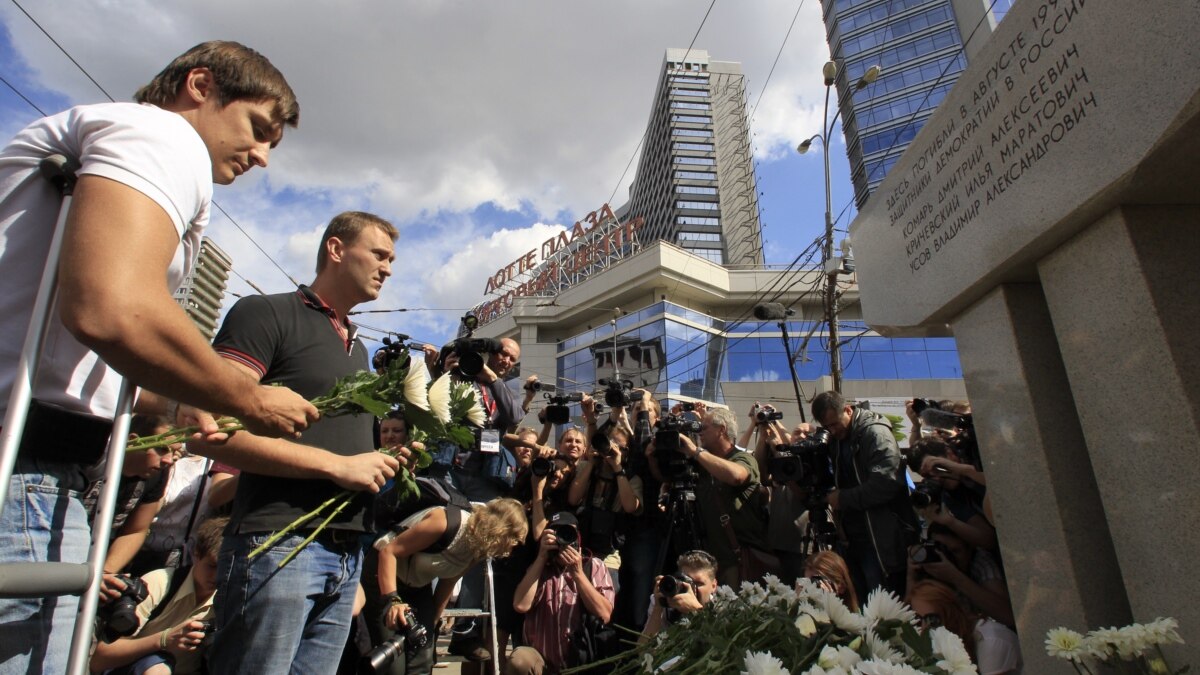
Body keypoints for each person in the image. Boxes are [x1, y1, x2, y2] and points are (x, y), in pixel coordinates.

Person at [0, 42, 316, 673]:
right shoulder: (161, 135)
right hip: (25, 466)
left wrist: (172, 400)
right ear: (199, 86)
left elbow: (87, 340)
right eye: (257, 130)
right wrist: (242, 395)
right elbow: (111, 307)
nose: (260, 157)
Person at [202, 211, 404, 674]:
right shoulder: (265, 312)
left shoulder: (358, 349)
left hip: (345, 556)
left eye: (391, 259)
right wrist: (334, 466)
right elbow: (211, 430)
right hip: (279, 543)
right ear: (336, 250)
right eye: (378, 254)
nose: (388, 268)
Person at [371, 497, 528, 674]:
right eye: (513, 537)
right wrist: (393, 601)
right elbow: (388, 552)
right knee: (393, 666)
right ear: (500, 527)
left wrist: (433, 624)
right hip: (384, 578)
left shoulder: (480, 547)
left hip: (417, 586)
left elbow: (449, 581)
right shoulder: (445, 522)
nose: (513, 546)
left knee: (422, 660)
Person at [811, 391, 918, 599]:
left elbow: (886, 483)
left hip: (881, 540)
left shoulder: (875, 434)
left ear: (848, 409)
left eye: (835, 424)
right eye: (827, 427)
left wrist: (842, 499)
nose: (832, 430)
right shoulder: (837, 439)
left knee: (883, 607)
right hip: (854, 539)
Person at [89, 516, 228, 675]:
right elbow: (100, 659)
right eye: (212, 566)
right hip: (137, 668)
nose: (217, 576)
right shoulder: (159, 583)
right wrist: (164, 640)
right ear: (196, 554)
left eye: (224, 569)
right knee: (157, 665)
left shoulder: (227, 600)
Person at [655, 404, 768, 586]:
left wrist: (696, 452)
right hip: (708, 563)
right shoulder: (699, 463)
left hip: (737, 558)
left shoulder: (742, 458)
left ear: (721, 430)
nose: (699, 432)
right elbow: (664, 477)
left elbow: (736, 476)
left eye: (704, 427)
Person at [509, 512, 615, 675]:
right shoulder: (538, 569)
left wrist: (578, 574)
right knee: (520, 660)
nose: (563, 541)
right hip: (542, 663)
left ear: (578, 538)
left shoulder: (594, 566)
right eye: (557, 534)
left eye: (568, 534)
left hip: (581, 662)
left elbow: (605, 614)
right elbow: (520, 605)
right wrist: (541, 557)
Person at [907, 580, 1023, 675]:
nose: (923, 630)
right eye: (916, 620)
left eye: (932, 620)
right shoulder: (941, 646)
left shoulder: (990, 642)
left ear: (951, 616)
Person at [640, 550, 719, 642]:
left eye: (698, 583)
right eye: (687, 581)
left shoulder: (723, 606)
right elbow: (643, 651)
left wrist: (695, 610)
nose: (691, 588)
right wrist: (658, 608)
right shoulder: (666, 601)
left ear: (714, 586)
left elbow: (723, 644)